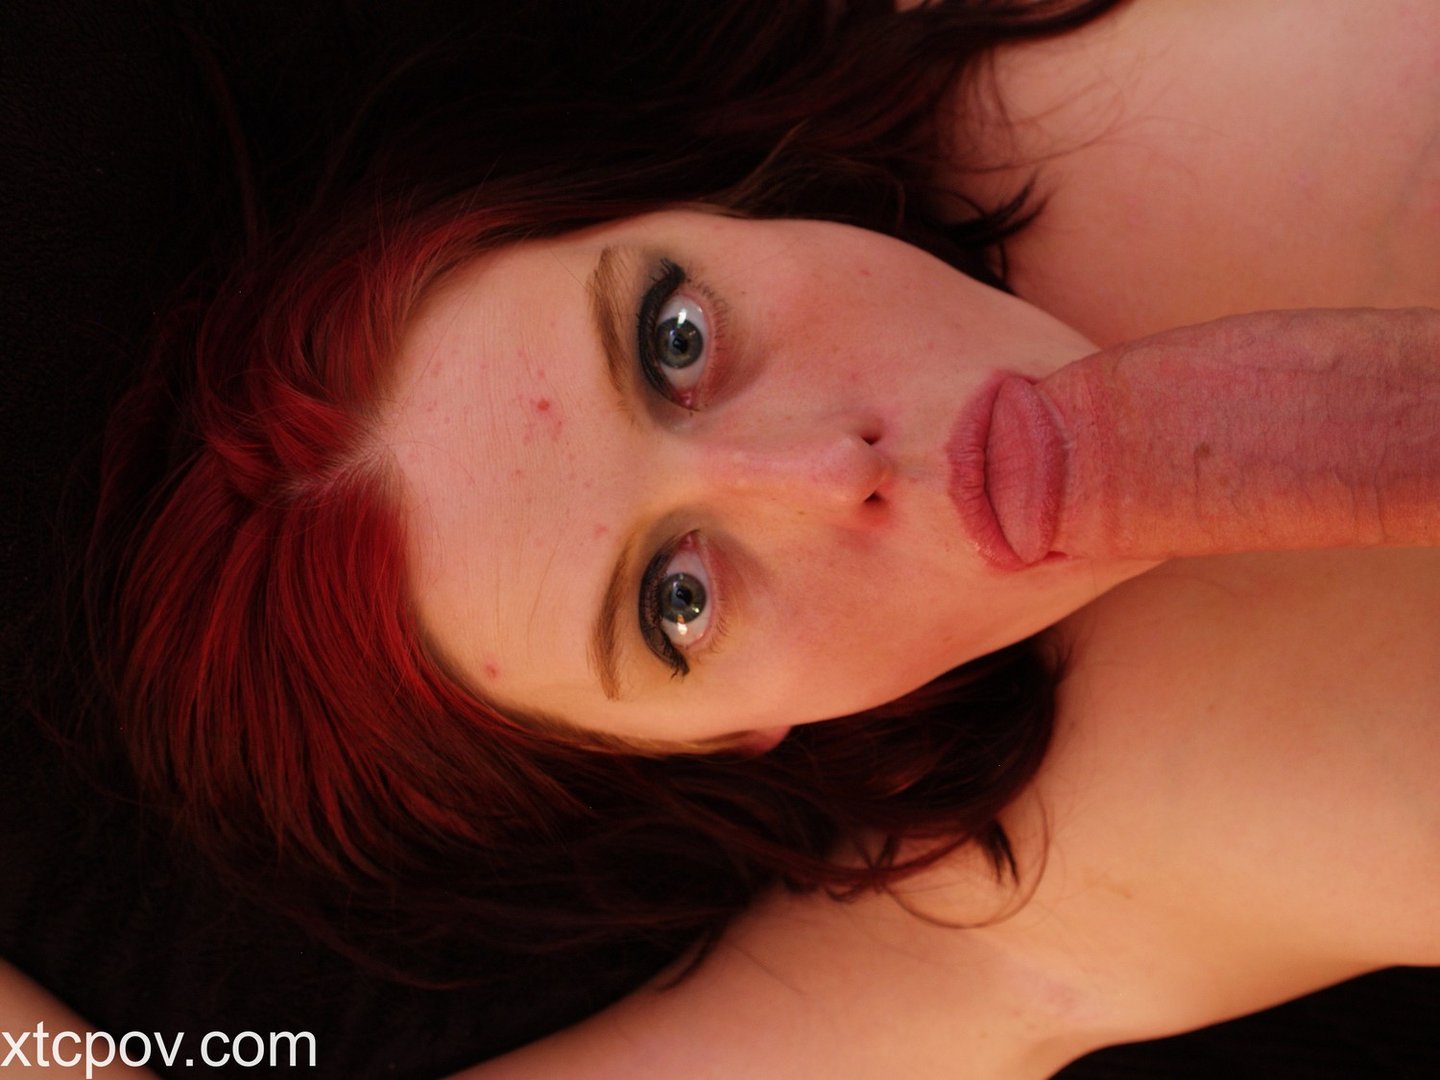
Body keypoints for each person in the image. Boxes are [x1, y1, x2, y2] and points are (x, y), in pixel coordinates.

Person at [55, 0, 1438, 1073]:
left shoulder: (1050, 41)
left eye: (675, 339)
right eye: (678, 602)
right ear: (718, 741)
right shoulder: (1030, 913)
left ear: (705, 204)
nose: (827, 472)